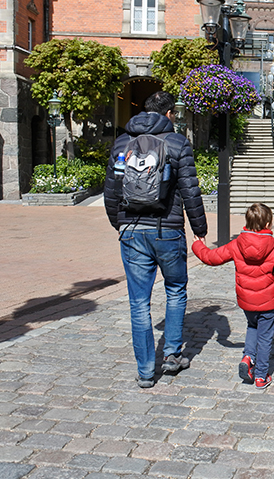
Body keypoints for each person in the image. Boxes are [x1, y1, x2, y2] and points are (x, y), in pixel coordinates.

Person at [104, 91, 208, 389]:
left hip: (132, 231)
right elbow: (190, 189)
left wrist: (121, 225)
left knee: (139, 303)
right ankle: (173, 355)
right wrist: (199, 228)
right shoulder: (177, 143)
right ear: (169, 114)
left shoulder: (122, 143)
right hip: (168, 229)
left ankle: (146, 371)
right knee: (175, 290)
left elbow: (111, 190)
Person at [192, 203, 274, 388]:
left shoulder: (237, 244)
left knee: (252, 326)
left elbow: (212, 258)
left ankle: (248, 357)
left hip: (246, 301)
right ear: (269, 223)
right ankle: (261, 376)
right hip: (268, 303)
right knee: (265, 338)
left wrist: (197, 245)